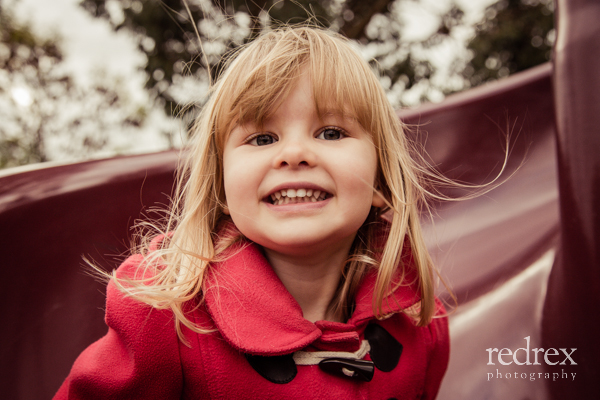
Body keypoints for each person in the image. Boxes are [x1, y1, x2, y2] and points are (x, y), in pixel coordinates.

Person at [54, 26, 450, 399]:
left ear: (381, 181)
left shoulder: (420, 324)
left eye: (331, 133)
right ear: (222, 188)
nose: (294, 154)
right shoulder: (166, 319)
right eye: (262, 138)